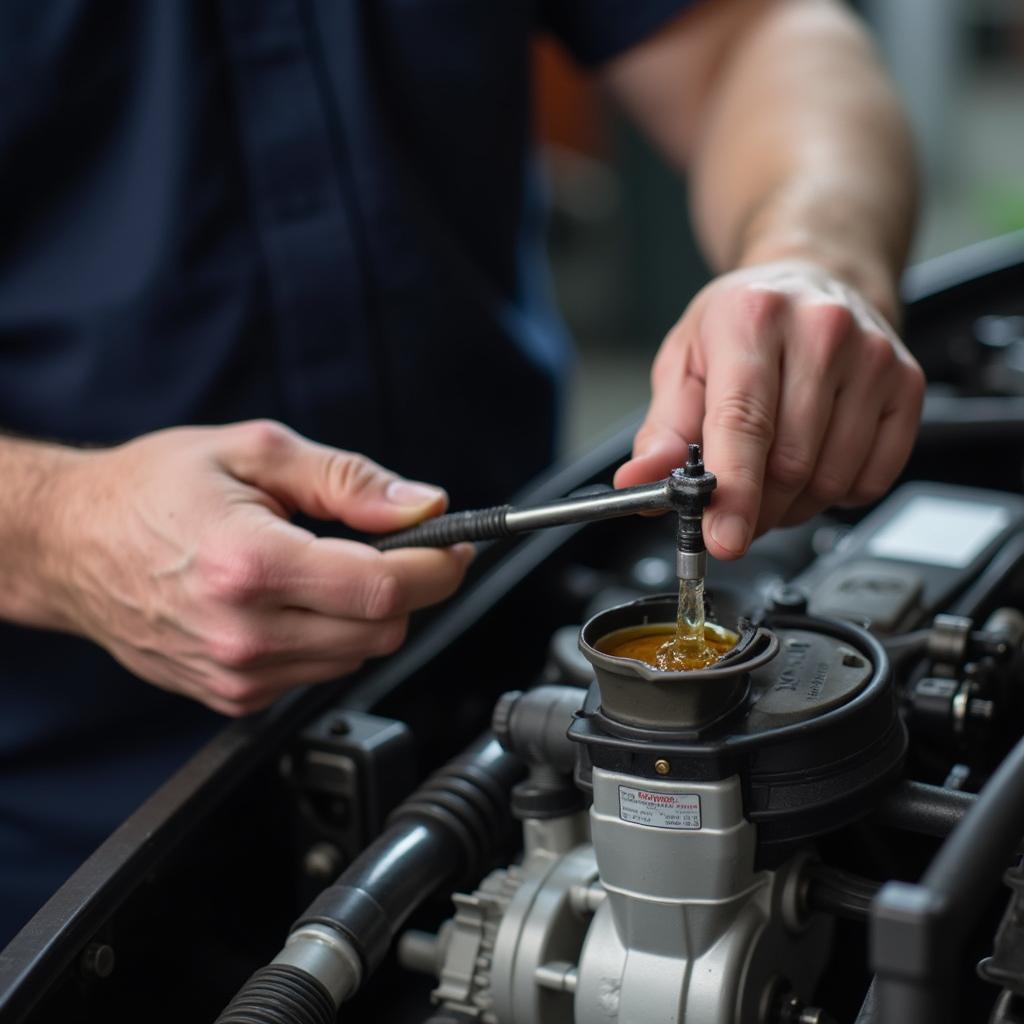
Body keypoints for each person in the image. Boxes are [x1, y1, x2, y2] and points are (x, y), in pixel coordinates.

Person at [0, 0, 923, 945]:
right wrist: (59, 526)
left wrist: (812, 257)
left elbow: (751, 38)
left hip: (514, 687)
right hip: (72, 836)